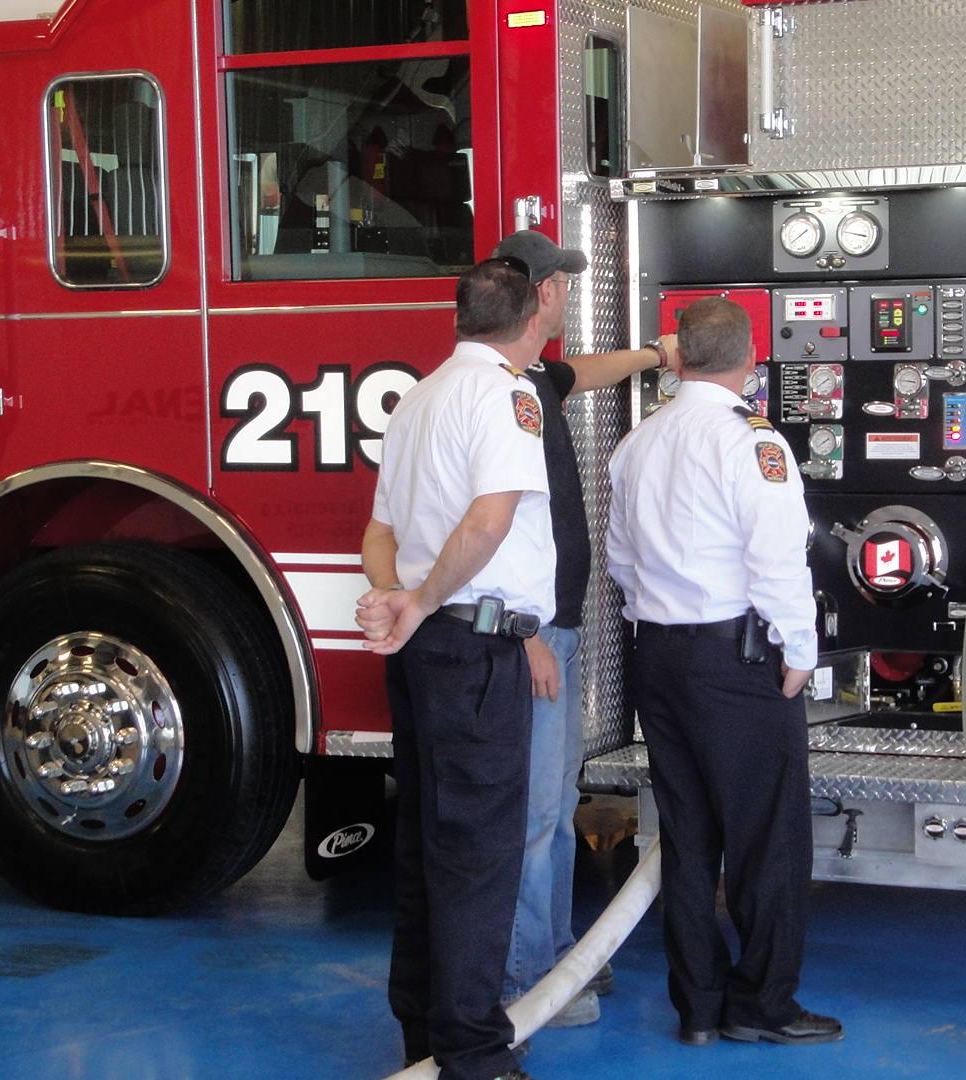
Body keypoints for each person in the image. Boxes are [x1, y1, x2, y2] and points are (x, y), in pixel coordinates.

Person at [604, 296, 843, 1048]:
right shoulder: (753, 441)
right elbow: (777, 557)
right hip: (736, 663)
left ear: (678, 357)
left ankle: (699, 1009)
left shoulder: (637, 443)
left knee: (687, 838)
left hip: (659, 656)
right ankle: (762, 1005)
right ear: (751, 358)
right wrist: (799, 649)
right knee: (767, 839)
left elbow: (619, 559)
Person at [355, 257, 560, 1080]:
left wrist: (397, 598)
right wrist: (422, 599)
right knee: (477, 855)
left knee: (425, 844)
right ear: (532, 318)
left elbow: (378, 533)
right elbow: (490, 520)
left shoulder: (418, 397)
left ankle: (426, 1033)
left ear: (458, 318)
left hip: (426, 650)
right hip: (474, 649)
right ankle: (473, 1055)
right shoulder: (508, 396)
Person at [487, 229, 676, 1028]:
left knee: (557, 807)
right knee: (533, 816)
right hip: (528, 635)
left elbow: (585, 373)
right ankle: (525, 982)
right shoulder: (498, 394)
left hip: (555, 630)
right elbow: (489, 528)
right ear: (542, 293)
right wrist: (527, 630)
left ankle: (559, 956)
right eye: (562, 282)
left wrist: (657, 356)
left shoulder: (536, 376)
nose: (568, 292)